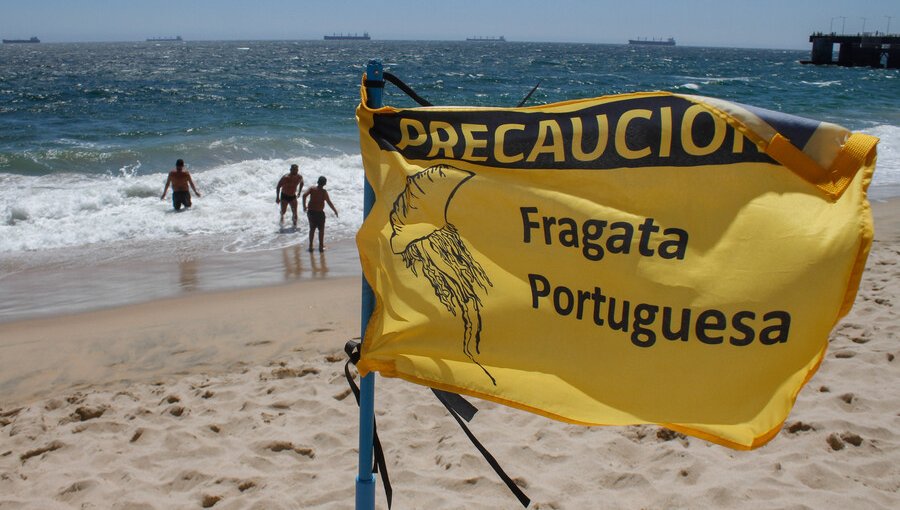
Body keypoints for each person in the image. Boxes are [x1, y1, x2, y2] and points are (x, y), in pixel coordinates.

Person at [302, 176, 338, 252]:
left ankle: (311, 246)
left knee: (312, 229)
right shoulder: (324, 192)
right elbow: (329, 202)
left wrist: (304, 206)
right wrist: (335, 210)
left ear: (318, 181)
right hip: (319, 213)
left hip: (311, 212)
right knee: (321, 230)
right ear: (325, 183)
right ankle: (321, 246)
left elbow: (304, 195)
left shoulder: (312, 189)